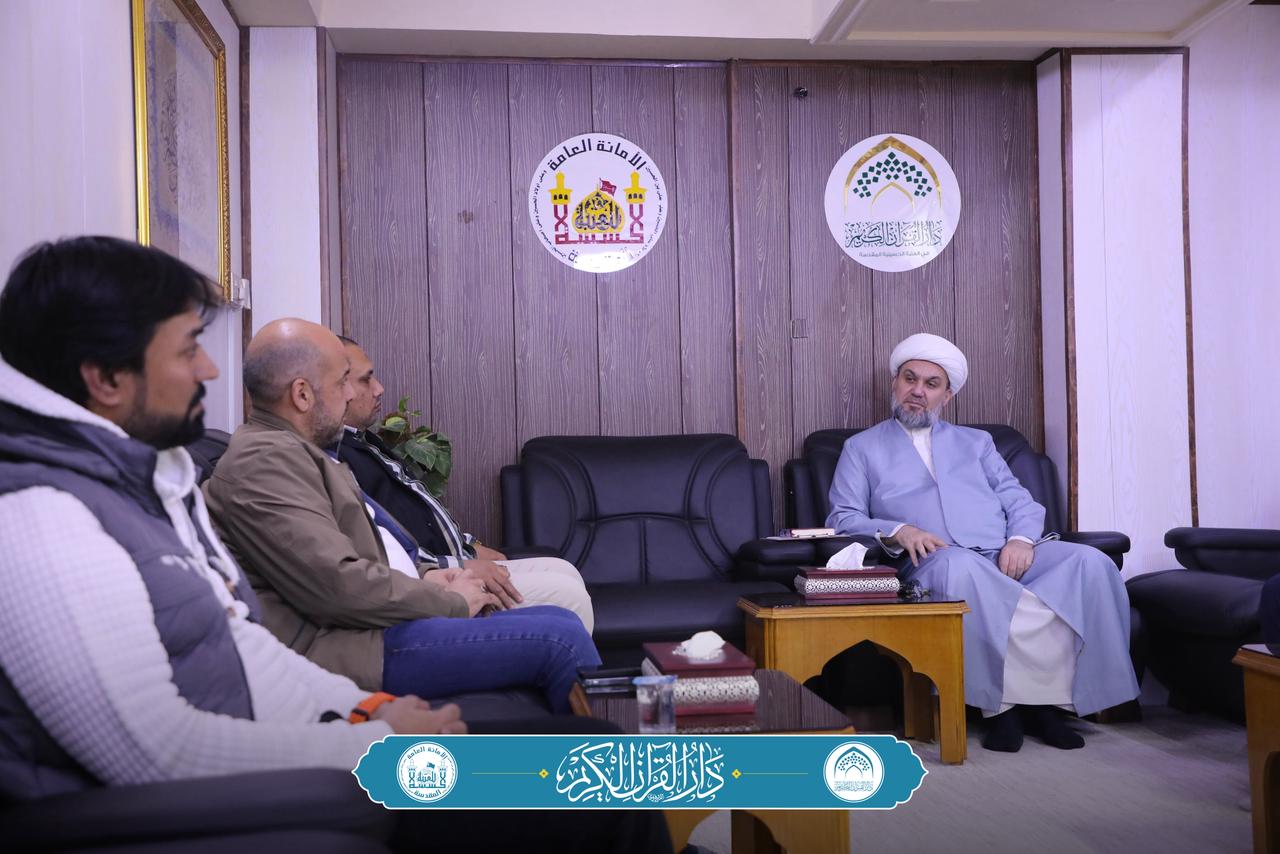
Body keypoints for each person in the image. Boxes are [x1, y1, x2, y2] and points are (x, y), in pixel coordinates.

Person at [0, 237, 671, 853]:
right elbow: (159, 752)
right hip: (246, 803)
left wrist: (365, 710)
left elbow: (245, 650)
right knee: (599, 780)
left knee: (596, 750)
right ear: (106, 378)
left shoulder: (144, 486)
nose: (209, 368)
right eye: (186, 349)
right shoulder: (45, 521)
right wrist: (374, 743)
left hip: (296, 756)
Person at [203, 318, 601, 714]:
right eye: (342, 382)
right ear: (302, 394)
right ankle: (591, 755)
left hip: (365, 629)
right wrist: (449, 600)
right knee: (561, 638)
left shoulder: (292, 451)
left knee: (559, 619)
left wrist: (427, 575)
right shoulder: (264, 463)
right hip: (341, 649)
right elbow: (337, 585)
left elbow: (357, 559)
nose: (350, 395)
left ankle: (564, 751)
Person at [826, 332, 1139, 752]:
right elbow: (842, 518)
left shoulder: (977, 443)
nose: (918, 391)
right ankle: (1003, 710)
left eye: (931, 384)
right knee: (962, 568)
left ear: (947, 395)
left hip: (1002, 550)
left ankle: (1053, 704)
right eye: (909, 379)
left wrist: (1021, 540)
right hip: (936, 559)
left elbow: (1019, 501)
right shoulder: (861, 448)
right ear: (894, 383)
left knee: (1090, 563)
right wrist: (899, 529)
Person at [333, 335, 593, 632]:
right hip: (436, 578)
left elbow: (412, 515)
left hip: (454, 561)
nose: (379, 388)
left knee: (563, 570)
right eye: (366, 379)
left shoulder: (362, 442)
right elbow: (382, 549)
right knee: (567, 594)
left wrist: (470, 546)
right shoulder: (337, 458)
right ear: (336, 386)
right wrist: (457, 565)